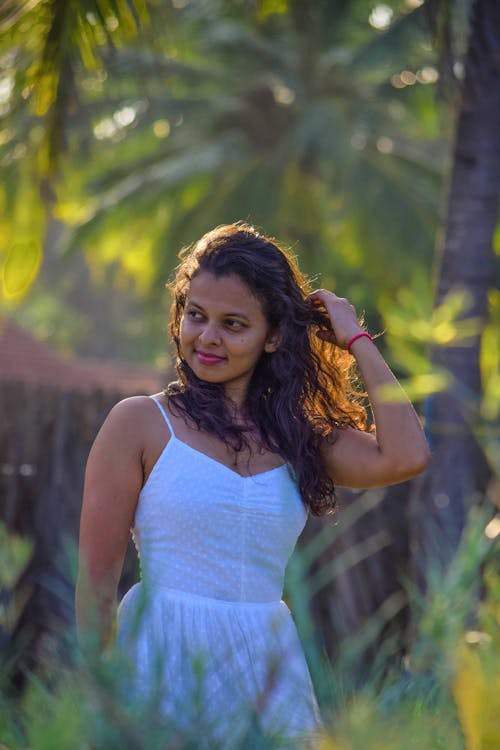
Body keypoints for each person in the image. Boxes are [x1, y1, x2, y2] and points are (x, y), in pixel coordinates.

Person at [75, 223, 430, 747]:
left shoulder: (301, 438)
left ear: (274, 335)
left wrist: (357, 341)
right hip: (159, 656)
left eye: (233, 323)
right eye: (196, 315)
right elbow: (95, 583)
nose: (207, 337)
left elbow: (407, 455)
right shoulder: (140, 424)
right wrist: (99, 703)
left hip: (266, 667)